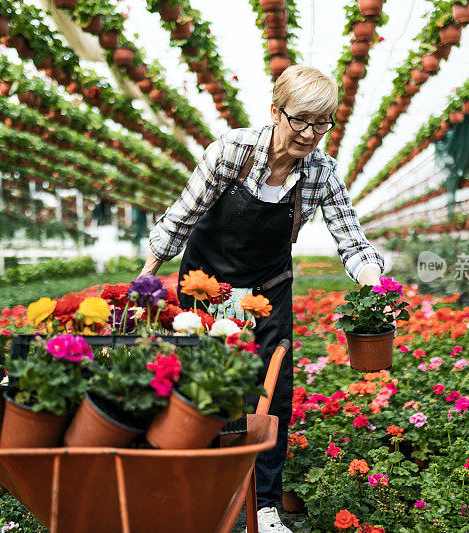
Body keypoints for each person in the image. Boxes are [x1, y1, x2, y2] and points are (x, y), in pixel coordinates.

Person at [141, 65, 385, 533]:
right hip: (205, 288)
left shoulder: (322, 171)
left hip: (269, 290)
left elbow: (350, 239)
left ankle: (265, 504)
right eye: (300, 121)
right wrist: (144, 280)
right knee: (199, 386)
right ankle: (196, 489)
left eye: (322, 124)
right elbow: (181, 216)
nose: (310, 134)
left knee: (273, 395)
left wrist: (374, 287)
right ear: (275, 111)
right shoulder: (230, 152)